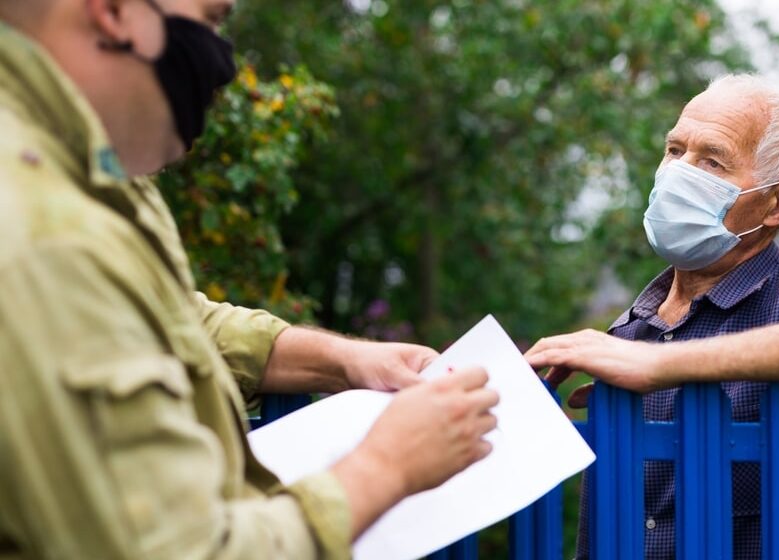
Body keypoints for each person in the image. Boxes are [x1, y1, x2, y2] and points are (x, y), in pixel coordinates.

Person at [0, 1, 498, 558]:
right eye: (211, 19)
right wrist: (387, 466)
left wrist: (342, 361)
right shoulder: (44, 231)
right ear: (114, 11)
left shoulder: (82, 171)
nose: (223, 66)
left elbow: (159, 317)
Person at [526, 74, 779, 559]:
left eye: (712, 161)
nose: (678, 173)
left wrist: (660, 366)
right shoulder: (633, 328)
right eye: (675, 150)